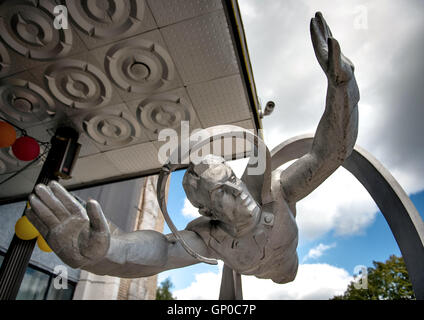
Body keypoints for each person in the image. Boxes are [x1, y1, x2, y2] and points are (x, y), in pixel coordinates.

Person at [26, 12, 359, 283]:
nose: (236, 189)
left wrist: (342, 88)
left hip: (287, 266)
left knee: (286, 274)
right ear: (207, 211)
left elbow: (328, 153)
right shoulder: (209, 238)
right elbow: (160, 252)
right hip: (256, 270)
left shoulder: (276, 190)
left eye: (231, 178)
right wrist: (109, 251)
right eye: (221, 192)